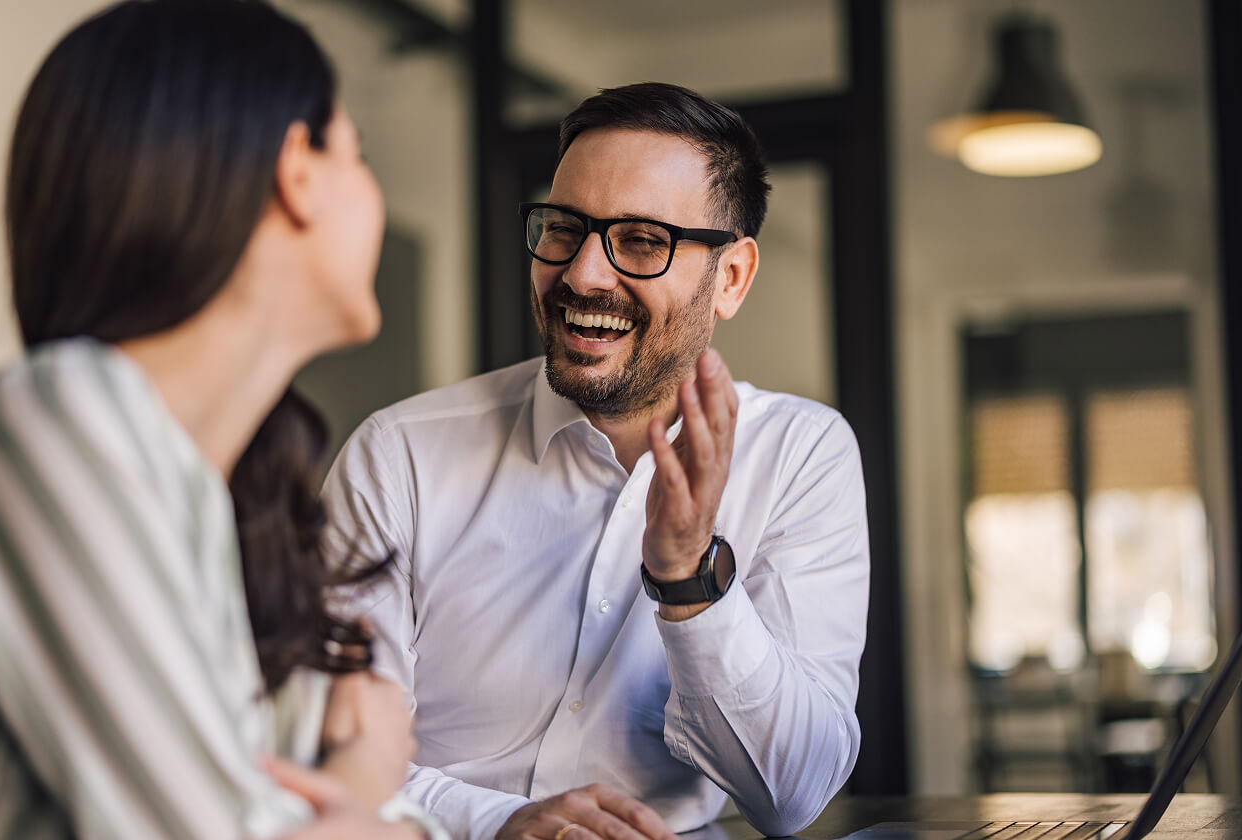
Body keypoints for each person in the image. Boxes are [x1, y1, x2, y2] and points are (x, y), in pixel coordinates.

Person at [0, 2, 424, 838]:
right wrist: (368, 782)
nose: (377, 199)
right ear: (298, 170)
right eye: (356, 154)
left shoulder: (210, 507)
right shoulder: (54, 424)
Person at [323, 82, 870, 840]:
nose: (582, 275)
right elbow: (328, 752)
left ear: (732, 278)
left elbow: (792, 797)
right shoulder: (399, 456)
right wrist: (499, 823)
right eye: (562, 228)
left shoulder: (802, 455)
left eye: (641, 241)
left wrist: (690, 580)